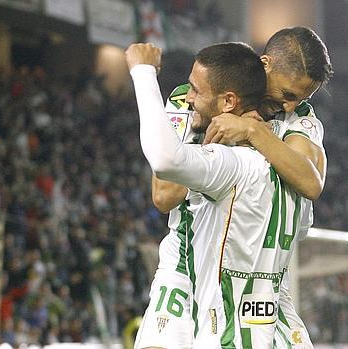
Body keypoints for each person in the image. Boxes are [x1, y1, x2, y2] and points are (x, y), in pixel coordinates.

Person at [138, 27, 332, 349]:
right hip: (185, 270)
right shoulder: (193, 98)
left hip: (260, 280)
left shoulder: (299, 119)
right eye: (287, 94)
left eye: (301, 98)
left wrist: (254, 133)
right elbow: (163, 196)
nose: (290, 105)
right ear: (265, 64)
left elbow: (311, 182)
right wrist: (206, 141)